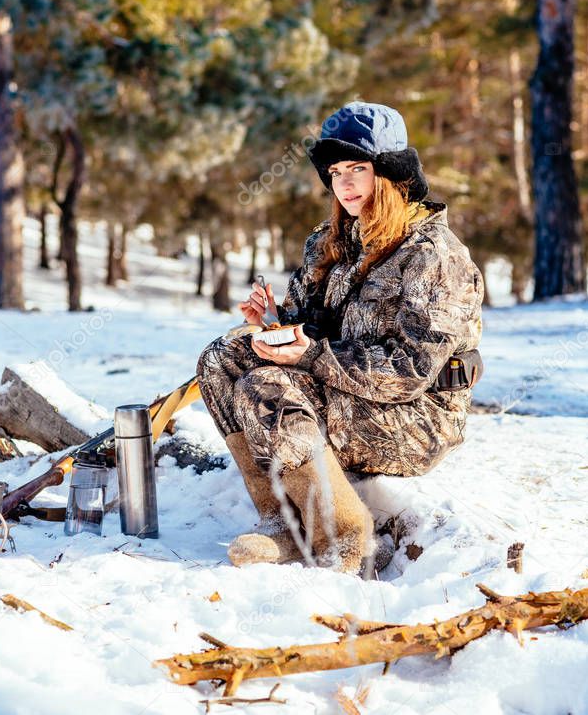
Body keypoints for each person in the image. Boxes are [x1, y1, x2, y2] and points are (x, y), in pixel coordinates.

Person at [195, 101, 484, 575]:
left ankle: (345, 541)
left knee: (265, 387)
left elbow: (409, 372)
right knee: (223, 357)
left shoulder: (434, 256)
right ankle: (282, 520)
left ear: (392, 175)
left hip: (417, 418)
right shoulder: (329, 240)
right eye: (334, 171)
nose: (343, 184)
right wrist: (273, 319)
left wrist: (310, 355)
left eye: (358, 169)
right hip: (349, 391)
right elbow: (312, 323)